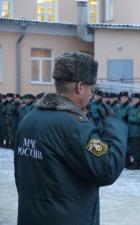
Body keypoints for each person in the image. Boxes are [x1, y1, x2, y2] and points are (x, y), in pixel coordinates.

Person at [14, 52, 128, 225]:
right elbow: (107, 168)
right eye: (91, 89)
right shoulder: (75, 126)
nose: (91, 95)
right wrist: (114, 126)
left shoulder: (29, 120)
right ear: (80, 87)